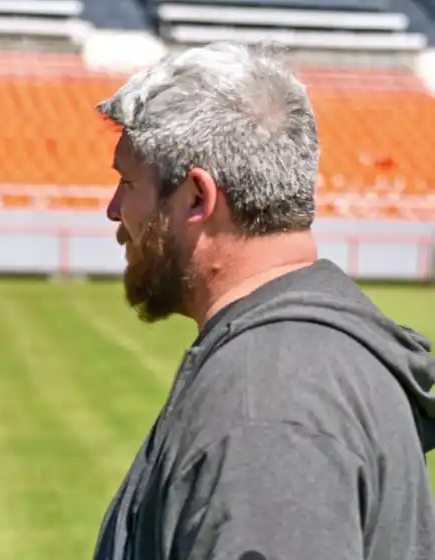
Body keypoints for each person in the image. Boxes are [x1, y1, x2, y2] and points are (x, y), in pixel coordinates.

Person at [92, 41, 435, 560]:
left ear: (197, 198)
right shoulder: (306, 362)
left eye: (127, 182)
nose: (114, 210)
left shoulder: (267, 407)